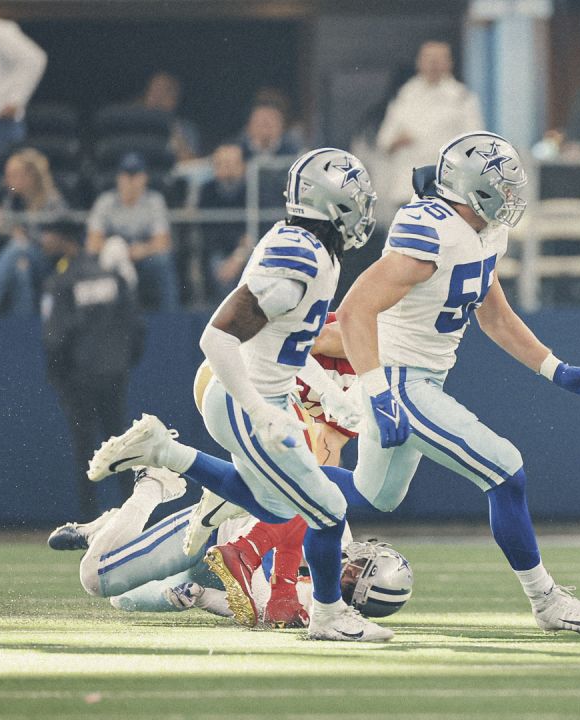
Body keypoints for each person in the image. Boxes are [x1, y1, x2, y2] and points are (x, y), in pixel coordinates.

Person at [86, 147, 392, 643]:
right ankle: (329, 616)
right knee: (326, 508)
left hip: (260, 398)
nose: (363, 211)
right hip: (244, 400)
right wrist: (260, 411)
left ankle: (176, 463)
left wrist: (315, 393)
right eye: (355, 200)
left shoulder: (316, 252)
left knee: (279, 506)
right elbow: (217, 337)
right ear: (331, 203)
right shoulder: (300, 256)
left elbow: (287, 341)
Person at [332, 131, 580, 634]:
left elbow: (496, 318)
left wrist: (558, 370)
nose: (513, 198)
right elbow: (356, 309)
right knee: (506, 472)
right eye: (503, 187)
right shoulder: (431, 231)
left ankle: (261, 483)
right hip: (399, 380)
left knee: (373, 497)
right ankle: (546, 602)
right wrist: (379, 393)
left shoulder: (484, 232)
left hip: (423, 379)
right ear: (473, 189)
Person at [46, 470, 411, 626]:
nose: (347, 571)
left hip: (225, 578)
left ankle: (105, 527)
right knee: (97, 578)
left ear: (356, 600)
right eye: (361, 565)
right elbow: (264, 597)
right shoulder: (333, 524)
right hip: (212, 532)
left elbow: (258, 605)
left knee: (121, 600)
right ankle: (153, 485)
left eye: (352, 581)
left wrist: (203, 596)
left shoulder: (324, 600)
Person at [40, 218, 145, 520]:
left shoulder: (62, 280)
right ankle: (131, 513)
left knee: (85, 447)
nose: (46, 241)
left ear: (66, 240)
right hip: (114, 372)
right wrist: (124, 360)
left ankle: (89, 518)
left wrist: (58, 376)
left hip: (79, 376)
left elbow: (54, 338)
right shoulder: (112, 276)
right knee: (120, 442)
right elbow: (137, 325)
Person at [375, 41, 484, 207]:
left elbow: (475, 144)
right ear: (419, 62)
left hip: (448, 188)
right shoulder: (405, 96)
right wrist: (397, 141)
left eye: (439, 59)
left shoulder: (462, 98)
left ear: (449, 63)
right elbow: (384, 141)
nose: (433, 64)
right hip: (408, 186)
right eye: (428, 58)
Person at [86, 152, 180, 311]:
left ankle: (171, 320)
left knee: (162, 262)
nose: (131, 181)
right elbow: (93, 242)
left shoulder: (154, 201)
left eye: (136, 175)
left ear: (145, 177)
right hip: (112, 258)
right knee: (90, 263)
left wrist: (142, 249)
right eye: (127, 175)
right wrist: (119, 251)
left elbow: (163, 241)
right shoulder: (105, 201)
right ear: (119, 178)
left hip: (142, 258)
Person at [0, 147, 67, 314]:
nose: (7, 181)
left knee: (19, 247)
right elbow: (5, 230)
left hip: (50, 264)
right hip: (24, 262)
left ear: (29, 177)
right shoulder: (12, 199)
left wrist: (24, 236)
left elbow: (55, 241)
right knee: (21, 270)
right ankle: (23, 331)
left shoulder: (52, 201)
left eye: (12, 176)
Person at [0, 3, 46, 204]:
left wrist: (16, 100)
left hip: (0, 127)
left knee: (6, 186)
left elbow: (35, 58)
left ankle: (11, 223)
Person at [197, 143, 252, 301]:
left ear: (242, 166)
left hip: (248, 248)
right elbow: (206, 230)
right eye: (221, 164)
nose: (227, 168)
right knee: (219, 269)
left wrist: (238, 256)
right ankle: (226, 322)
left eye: (232, 163)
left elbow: (258, 230)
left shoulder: (253, 189)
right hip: (218, 249)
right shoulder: (206, 191)